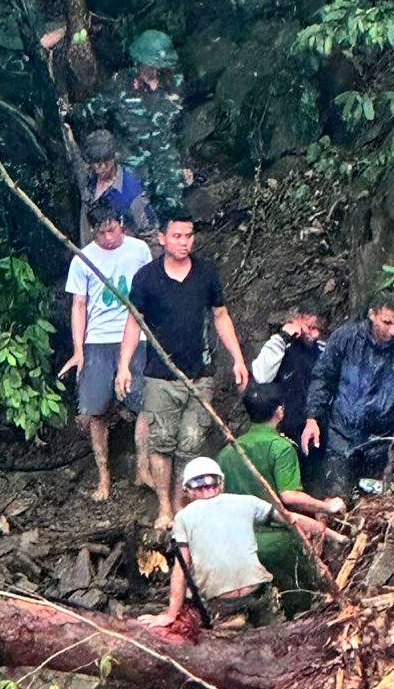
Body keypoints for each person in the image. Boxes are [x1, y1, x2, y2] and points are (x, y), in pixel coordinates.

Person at [115, 212, 249, 529]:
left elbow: (220, 316)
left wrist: (238, 358)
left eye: (188, 236)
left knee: (190, 443)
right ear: (162, 238)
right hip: (159, 376)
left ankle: (180, 507)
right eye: (176, 236)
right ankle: (164, 508)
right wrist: (124, 366)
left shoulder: (206, 273)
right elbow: (134, 322)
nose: (183, 242)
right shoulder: (146, 278)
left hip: (199, 374)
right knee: (161, 442)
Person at [138, 457, 328, 629]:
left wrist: (171, 614)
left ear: (187, 491)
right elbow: (291, 518)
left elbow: (182, 567)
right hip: (258, 594)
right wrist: (332, 533)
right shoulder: (246, 502)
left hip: (222, 604)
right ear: (221, 484)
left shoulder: (184, 517)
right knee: (274, 641)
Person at [216, 383, 346, 615]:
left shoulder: (227, 452)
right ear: (279, 411)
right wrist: (327, 506)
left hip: (235, 543)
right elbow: (290, 497)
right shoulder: (281, 447)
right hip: (277, 543)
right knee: (303, 606)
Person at [301, 290, 394, 498]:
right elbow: (323, 378)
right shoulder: (346, 338)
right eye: (387, 322)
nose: (393, 331)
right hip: (342, 435)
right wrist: (313, 418)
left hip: (383, 442)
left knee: (375, 505)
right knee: (336, 499)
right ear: (373, 315)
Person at [60, 197, 153, 501]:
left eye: (112, 230)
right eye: (101, 234)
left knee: (144, 403)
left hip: (135, 335)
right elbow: (79, 304)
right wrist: (79, 349)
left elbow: (150, 293)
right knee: (95, 410)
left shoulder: (139, 250)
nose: (108, 238)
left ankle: (143, 468)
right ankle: (104, 478)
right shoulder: (82, 259)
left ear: (121, 224)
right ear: (92, 232)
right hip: (97, 339)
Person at [73, 30, 191, 215]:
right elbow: (94, 109)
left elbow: (181, 129)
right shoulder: (121, 83)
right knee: (132, 217)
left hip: (167, 167)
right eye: (147, 65)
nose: (151, 70)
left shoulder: (175, 84)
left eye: (156, 66)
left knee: (171, 218)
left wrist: (185, 164)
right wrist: (68, 113)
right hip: (134, 166)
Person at [251, 303, 327, 486]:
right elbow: (261, 376)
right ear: (295, 320)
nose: (315, 334)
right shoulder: (279, 346)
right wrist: (284, 337)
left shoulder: (323, 349)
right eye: (310, 327)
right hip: (285, 426)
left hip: (317, 424)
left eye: (319, 329)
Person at [79, 129, 158, 238]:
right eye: (95, 164)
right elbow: (75, 160)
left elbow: (150, 234)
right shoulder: (89, 176)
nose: (99, 169)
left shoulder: (132, 192)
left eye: (105, 163)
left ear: (114, 158)